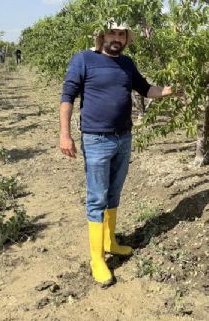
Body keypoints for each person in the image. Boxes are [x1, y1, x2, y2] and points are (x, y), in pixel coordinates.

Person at [59, 19, 181, 287]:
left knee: (114, 193)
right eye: (112, 33)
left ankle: (110, 242)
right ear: (102, 36)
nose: (117, 38)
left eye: (122, 34)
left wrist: (170, 91)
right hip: (96, 139)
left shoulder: (127, 63)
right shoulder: (84, 59)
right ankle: (97, 258)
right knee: (97, 198)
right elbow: (67, 97)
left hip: (123, 137)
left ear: (126, 39)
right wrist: (65, 135)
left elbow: (146, 89)